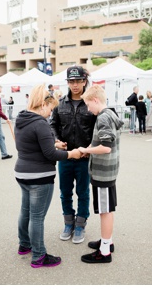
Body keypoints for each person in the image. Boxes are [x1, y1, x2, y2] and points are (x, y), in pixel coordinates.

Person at [14, 84, 82, 268]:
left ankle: (24, 245)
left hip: (22, 173)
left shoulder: (22, 119)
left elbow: (32, 144)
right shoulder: (40, 123)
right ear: (43, 104)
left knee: (25, 211)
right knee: (37, 217)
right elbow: (50, 155)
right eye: (50, 109)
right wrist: (71, 154)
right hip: (39, 176)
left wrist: (53, 144)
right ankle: (39, 256)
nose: (50, 114)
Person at [50, 65, 96, 244]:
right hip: (66, 156)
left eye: (78, 81)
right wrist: (57, 140)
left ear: (84, 81)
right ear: (68, 82)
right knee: (65, 192)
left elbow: (97, 128)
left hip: (85, 157)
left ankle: (80, 225)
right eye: (71, 81)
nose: (75, 85)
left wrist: (90, 148)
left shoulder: (91, 102)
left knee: (83, 192)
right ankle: (68, 223)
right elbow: (52, 124)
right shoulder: (60, 103)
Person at [78, 85, 124, 264]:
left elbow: (105, 147)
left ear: (96, 100)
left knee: (105, 210)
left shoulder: (103, 117)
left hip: (102, 172)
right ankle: (107, 241)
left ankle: (104, 251)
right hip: (109, 169)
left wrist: (86, 149)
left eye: (89, 105)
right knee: (107, 208)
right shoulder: (110, 113)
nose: (89, 110)